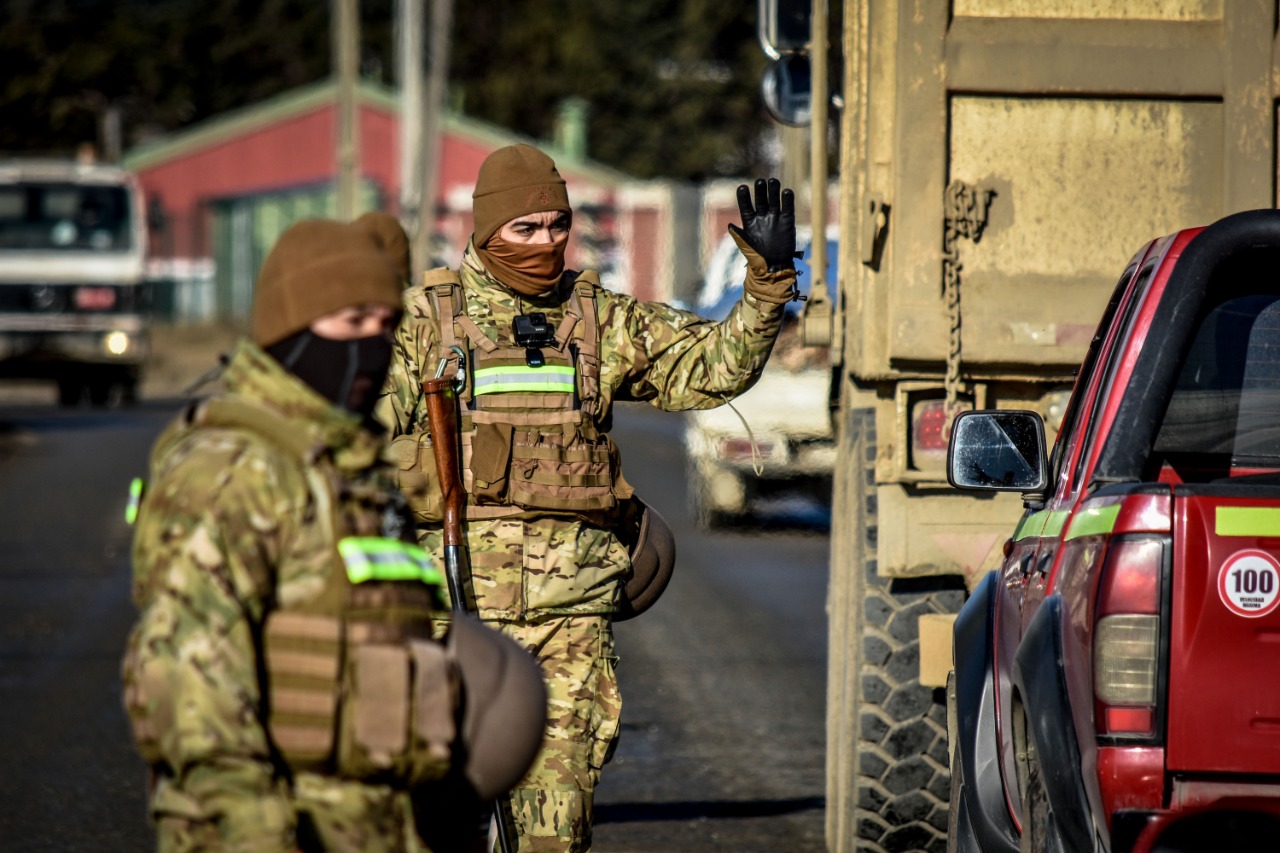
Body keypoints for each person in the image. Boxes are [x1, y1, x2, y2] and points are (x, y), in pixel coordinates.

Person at [376, 143, 799, 852]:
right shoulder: (425, 324)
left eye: (556, 225)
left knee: (554, 831)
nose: (544, 243)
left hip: (568, 627)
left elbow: (711, 367)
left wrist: (765, 288)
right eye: (525, 228)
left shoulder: (596, 319)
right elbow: (345, 440)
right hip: (447, 616)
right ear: (485, 231)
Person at [121, 212, 545, 852]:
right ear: (289, 330)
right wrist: (253, 832)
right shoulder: (234, 466)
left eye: (384, 328)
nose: (370, 348)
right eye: (350, 325)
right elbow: (186, 679)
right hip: (268, 829)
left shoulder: (352, 468)